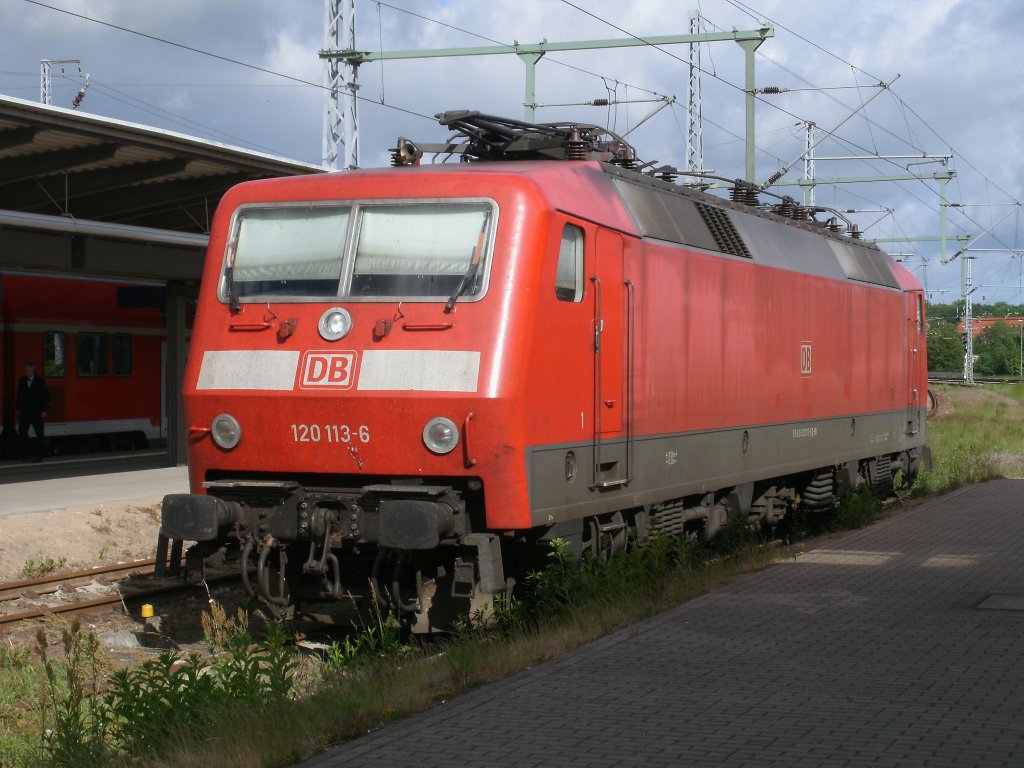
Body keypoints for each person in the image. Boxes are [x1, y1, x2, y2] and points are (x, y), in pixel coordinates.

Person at [16, 362, 50, 462]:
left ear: (32, 370)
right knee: (22, 431)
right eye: (24, 370)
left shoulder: (40, 381)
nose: (25, 372)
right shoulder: (22, 381)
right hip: (25, 411)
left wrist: (44, 410)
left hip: (37, 411)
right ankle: (28, 453)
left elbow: (46, 395)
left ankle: (39, 456)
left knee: (39, 434)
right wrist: (18, 408)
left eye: (27, 370)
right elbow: (19, 395)